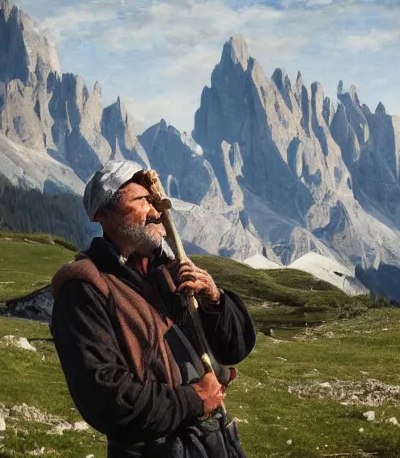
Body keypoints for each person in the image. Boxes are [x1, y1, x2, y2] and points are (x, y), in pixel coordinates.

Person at [48, 159, 257, 458]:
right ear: (102, 213)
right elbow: (106, 397)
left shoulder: (169, 271)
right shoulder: (84, 288)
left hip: (213, 441)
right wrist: (194, 400)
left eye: (156, 202)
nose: (157, 213)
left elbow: (235, 349)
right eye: (143, 201)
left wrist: (215, 301)